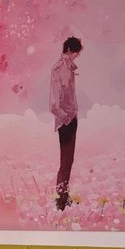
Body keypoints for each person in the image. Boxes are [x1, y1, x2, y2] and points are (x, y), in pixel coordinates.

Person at [49, 36, 82, 211]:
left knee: (68, 161)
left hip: (70, 118)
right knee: (65, 161)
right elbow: (54, 104)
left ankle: (63, 197)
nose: (77, 56)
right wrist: (67, 118)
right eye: (76, 52)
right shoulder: (59, 69)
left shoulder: (69, 67)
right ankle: (60, 200)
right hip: (66, 121)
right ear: (69, 50)